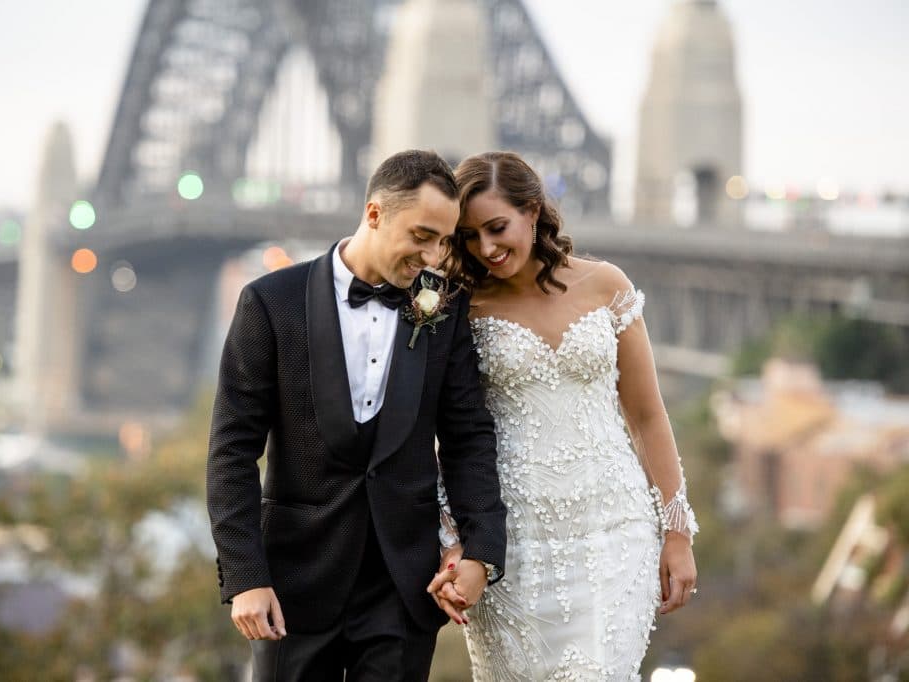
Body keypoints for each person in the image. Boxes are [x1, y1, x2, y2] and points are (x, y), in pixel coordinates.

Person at [206, 149, 507, 681]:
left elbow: (468, 438)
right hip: (292, 587)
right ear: (374, 214)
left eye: (443, 241)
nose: (433, 257)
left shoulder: (444, 306)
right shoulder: (269, 302)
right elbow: (232, 451)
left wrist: (481, 551)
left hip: (403, 587)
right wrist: (245, 576)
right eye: (422, 236)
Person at [429, 151, 698, 681]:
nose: (486, 248)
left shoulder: (606, 286)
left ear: (532, 211)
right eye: (468, 237)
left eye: (497, 227)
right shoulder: (458, 306)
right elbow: (442, 436)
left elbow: (647, 416)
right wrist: (452, 540)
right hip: (512, 547)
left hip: (615, 535)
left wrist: (677, 532)